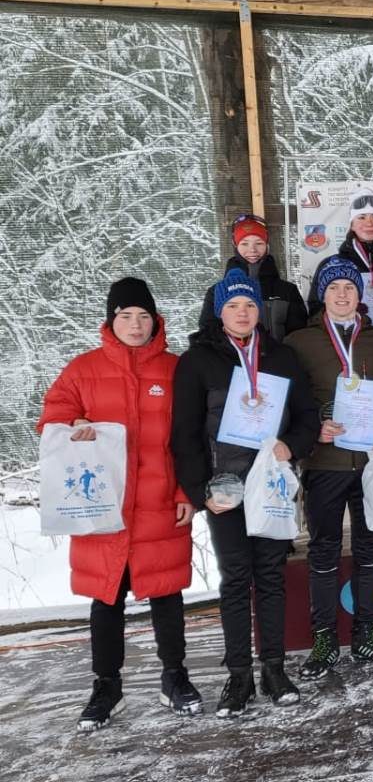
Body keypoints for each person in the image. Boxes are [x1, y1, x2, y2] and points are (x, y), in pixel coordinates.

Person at [38, 278, 198, 731]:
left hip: (160, 503)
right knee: (106, 599)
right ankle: (106, 685)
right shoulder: (82, 369)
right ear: (111, 320)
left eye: (143, 316)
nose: (135, 324)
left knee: (167, 594)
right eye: (126, 316)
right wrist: (75, 424)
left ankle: (175, 677)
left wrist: (187, 493)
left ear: (156, 321)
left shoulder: (175, 369)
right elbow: (52, 416)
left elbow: (189, 440)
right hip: (100, 507)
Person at [171, 268, 318, 717]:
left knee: (271, 576)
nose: (242, 313)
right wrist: (199, 492)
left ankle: (274, 668)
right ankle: (239, 676)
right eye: (233, 305)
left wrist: (289, 444)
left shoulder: (282, 356)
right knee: (236, 579)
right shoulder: (198, 360)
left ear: (260, 309)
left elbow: (307, 417)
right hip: (226, 488)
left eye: (249, 304)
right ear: (219, 312)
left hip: (269, 485)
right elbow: (184, 434)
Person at [284, 258, 373, 678]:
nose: (341, 295)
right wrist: (313, 428)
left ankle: (367, 634)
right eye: (333, 288)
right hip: (326, 463)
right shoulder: (299, 342)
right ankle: (323, 639)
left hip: (371, 461)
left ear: (359, 295)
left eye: (349, 289)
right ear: (322, 294)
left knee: (370, 548)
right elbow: (289, 402)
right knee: (324, 549)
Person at [307, 190, 373, 332]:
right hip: (355, 344)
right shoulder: (332, 266)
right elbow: (317, 308)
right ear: (352, 224)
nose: (369, 223)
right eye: (362, 217)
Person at [201, 214, 307, 341]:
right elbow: (207, 335)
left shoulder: (287, 290)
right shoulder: (216, 292)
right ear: (235, 245)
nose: (252, 250)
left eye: (259, 243)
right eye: (245, 243)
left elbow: (300, 337)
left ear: (267, 245)